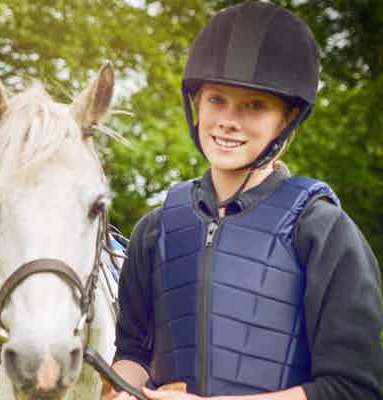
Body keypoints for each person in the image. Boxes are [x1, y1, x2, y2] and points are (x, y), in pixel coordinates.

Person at [106, 2, 383, 400]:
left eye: (254, 105)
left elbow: (352, 388)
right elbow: (133, 354)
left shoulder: (323, 231)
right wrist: (119, 390)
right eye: (217, 99)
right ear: (196, 104)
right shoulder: (154, 229)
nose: (228, 121)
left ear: (286, 119)